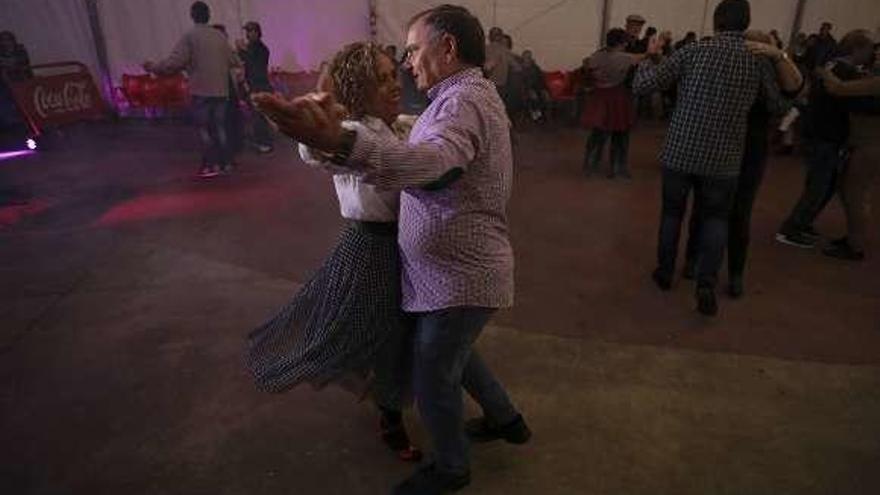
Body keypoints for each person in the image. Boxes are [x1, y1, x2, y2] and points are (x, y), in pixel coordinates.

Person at [254, 5, 530, 494]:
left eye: (410, 52)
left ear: (447, 48)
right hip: (420, 265)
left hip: (455, 276)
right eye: (385, 72)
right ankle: (502, 420)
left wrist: (335, 140)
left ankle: (451, 467)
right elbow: (329, 149)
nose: (403, 68)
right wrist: (324, 138)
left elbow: (434, 161)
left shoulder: (453, 105)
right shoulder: (447, 103)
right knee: (431, 353)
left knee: (433, 372)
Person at [247, 41, 423, 463]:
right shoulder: (356, 130)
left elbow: (428, 136)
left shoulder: (400, 124)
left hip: (409, 246)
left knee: (407, 334)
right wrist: (314, 135)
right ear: (359, 91)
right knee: (383, 336)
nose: (393, 84)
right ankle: (390, 416)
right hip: (372, 247)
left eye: (392, 74)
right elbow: (326, 149)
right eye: (380, 80)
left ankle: (397, 398)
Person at [633, 0, 784, 316]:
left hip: (681, 150)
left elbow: (642, 86)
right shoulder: (756, 60)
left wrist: (650, 56)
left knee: (672, 213)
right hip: (725, 157)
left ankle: (664, 273)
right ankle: (705, 283)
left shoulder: (693, 51)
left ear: (716, 21)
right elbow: (776, 104)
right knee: (717, 218)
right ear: (745, 24)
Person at [684, 30, 802, 298]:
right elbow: (789, 96)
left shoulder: (722, 63)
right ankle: (735, 276)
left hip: (716, 142)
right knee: (739, 212)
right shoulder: (765, 70)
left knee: (704, 206)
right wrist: (780, 57)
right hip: (750, 147)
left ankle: (693, 263)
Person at [776, 30, 876, 249]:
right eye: (869, 50)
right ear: (857, 49)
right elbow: (843, 93)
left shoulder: (832, 65)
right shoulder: (846, 72)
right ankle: (793, 228)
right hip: (827, 136)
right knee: (820, 186)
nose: (872, 55)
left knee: (825, 185)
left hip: (819, 133)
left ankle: (803, 222)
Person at [143, 1, 240, 178]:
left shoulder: (190, 36)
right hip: (221, 91)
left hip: (201, 90)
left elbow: (174, 62)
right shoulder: (219, 36)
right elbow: (234, 60)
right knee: (220, 128)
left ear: (192, 16)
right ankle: (226, 163)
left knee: (204, 129)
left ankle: (210, 166)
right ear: (209, 15)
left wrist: (153, 67)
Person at [817, 45, 879, 260]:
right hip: (864, 142)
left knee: (856, 194)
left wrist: (824, 69)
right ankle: (853, 237)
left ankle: (855, 244)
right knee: (850, 190)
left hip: (870, 145)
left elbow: (838, 88)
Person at [582, 28, 638, 178]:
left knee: (598, 132)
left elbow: (587, 67)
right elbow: (643, 58)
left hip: (600, 96)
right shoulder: (623, 58)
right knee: (621, 133)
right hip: (617, 97)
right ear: (622, 42)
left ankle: (590, 165)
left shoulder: (597, 56)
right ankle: (617, 168)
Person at [236, 21, 274, 153]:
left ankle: (264, 142)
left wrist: (242, 51)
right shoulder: (252, 48)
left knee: (259, 116)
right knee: (256, 115)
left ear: (257, 32)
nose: (247, 34)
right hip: (254, 86)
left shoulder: (261, 49)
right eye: (247, 31)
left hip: (259, 86)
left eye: (250, 31)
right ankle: (261, 141)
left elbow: (255, 67)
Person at [0, 31, 31, 132]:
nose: (6, 42)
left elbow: (22, 65)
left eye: (8, 39)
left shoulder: (20, 50)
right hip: (5, 86)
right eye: (3, 40)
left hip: (22, 82)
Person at [520, 50, 549, 123]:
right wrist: (528, 89)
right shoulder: (519, 68)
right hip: (525, 89)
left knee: (543, 96)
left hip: (537, 88)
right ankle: (536, 116)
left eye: (529, 57)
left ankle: (540, 115)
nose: (527, 59)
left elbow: (541, 79)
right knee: (533, 97)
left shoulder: (535, 68)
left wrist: (544, 89)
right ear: (523, 57)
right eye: (526, 57)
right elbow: (521, 81)